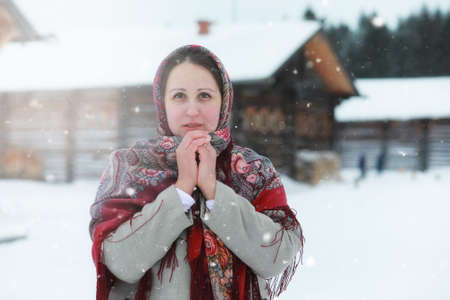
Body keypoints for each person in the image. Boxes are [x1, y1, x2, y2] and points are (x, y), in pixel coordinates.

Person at [89, 45, 304, 300]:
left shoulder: (253, 171)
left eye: (204, 96)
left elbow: (277, 257)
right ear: (162, 102)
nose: (192, 110)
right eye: (179, 96)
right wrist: (181, 191)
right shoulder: (130, 167)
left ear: (223, 101)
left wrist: (214, 193)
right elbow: (120, 262)